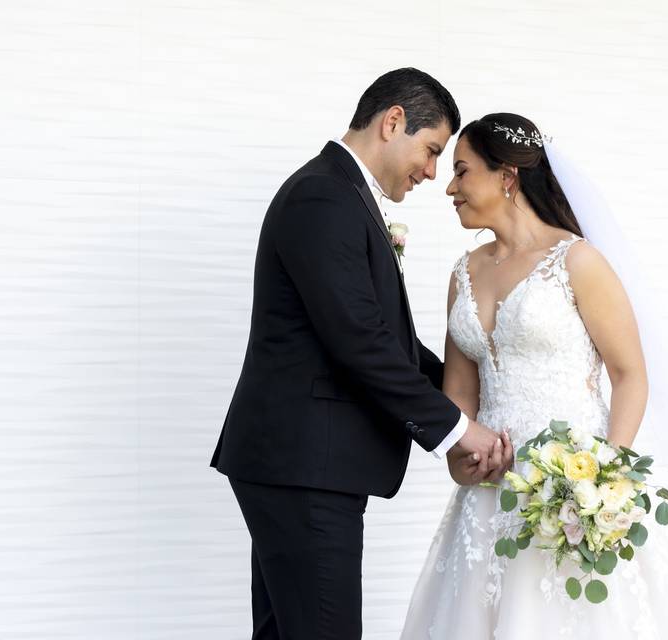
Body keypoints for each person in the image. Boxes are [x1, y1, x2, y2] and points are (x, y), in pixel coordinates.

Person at [210, 70, 512, 640]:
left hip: (299, 463)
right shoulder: (324, 195)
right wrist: (454, 427)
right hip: (304, 465)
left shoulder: (340, 194)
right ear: (392, 121)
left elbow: (380, 338)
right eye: (430, 151)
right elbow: (359, 342)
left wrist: (475, 382)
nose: (431, 172)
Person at [401, 113, 668, 638]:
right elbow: (459, 396)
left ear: (507, 177)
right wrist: (462, 462)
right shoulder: (462, 274)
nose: (449, 187)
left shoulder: (578, 262)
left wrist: (605, 481)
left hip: (571, 495)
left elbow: (631, 374)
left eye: (461, 171)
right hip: (489, 502)